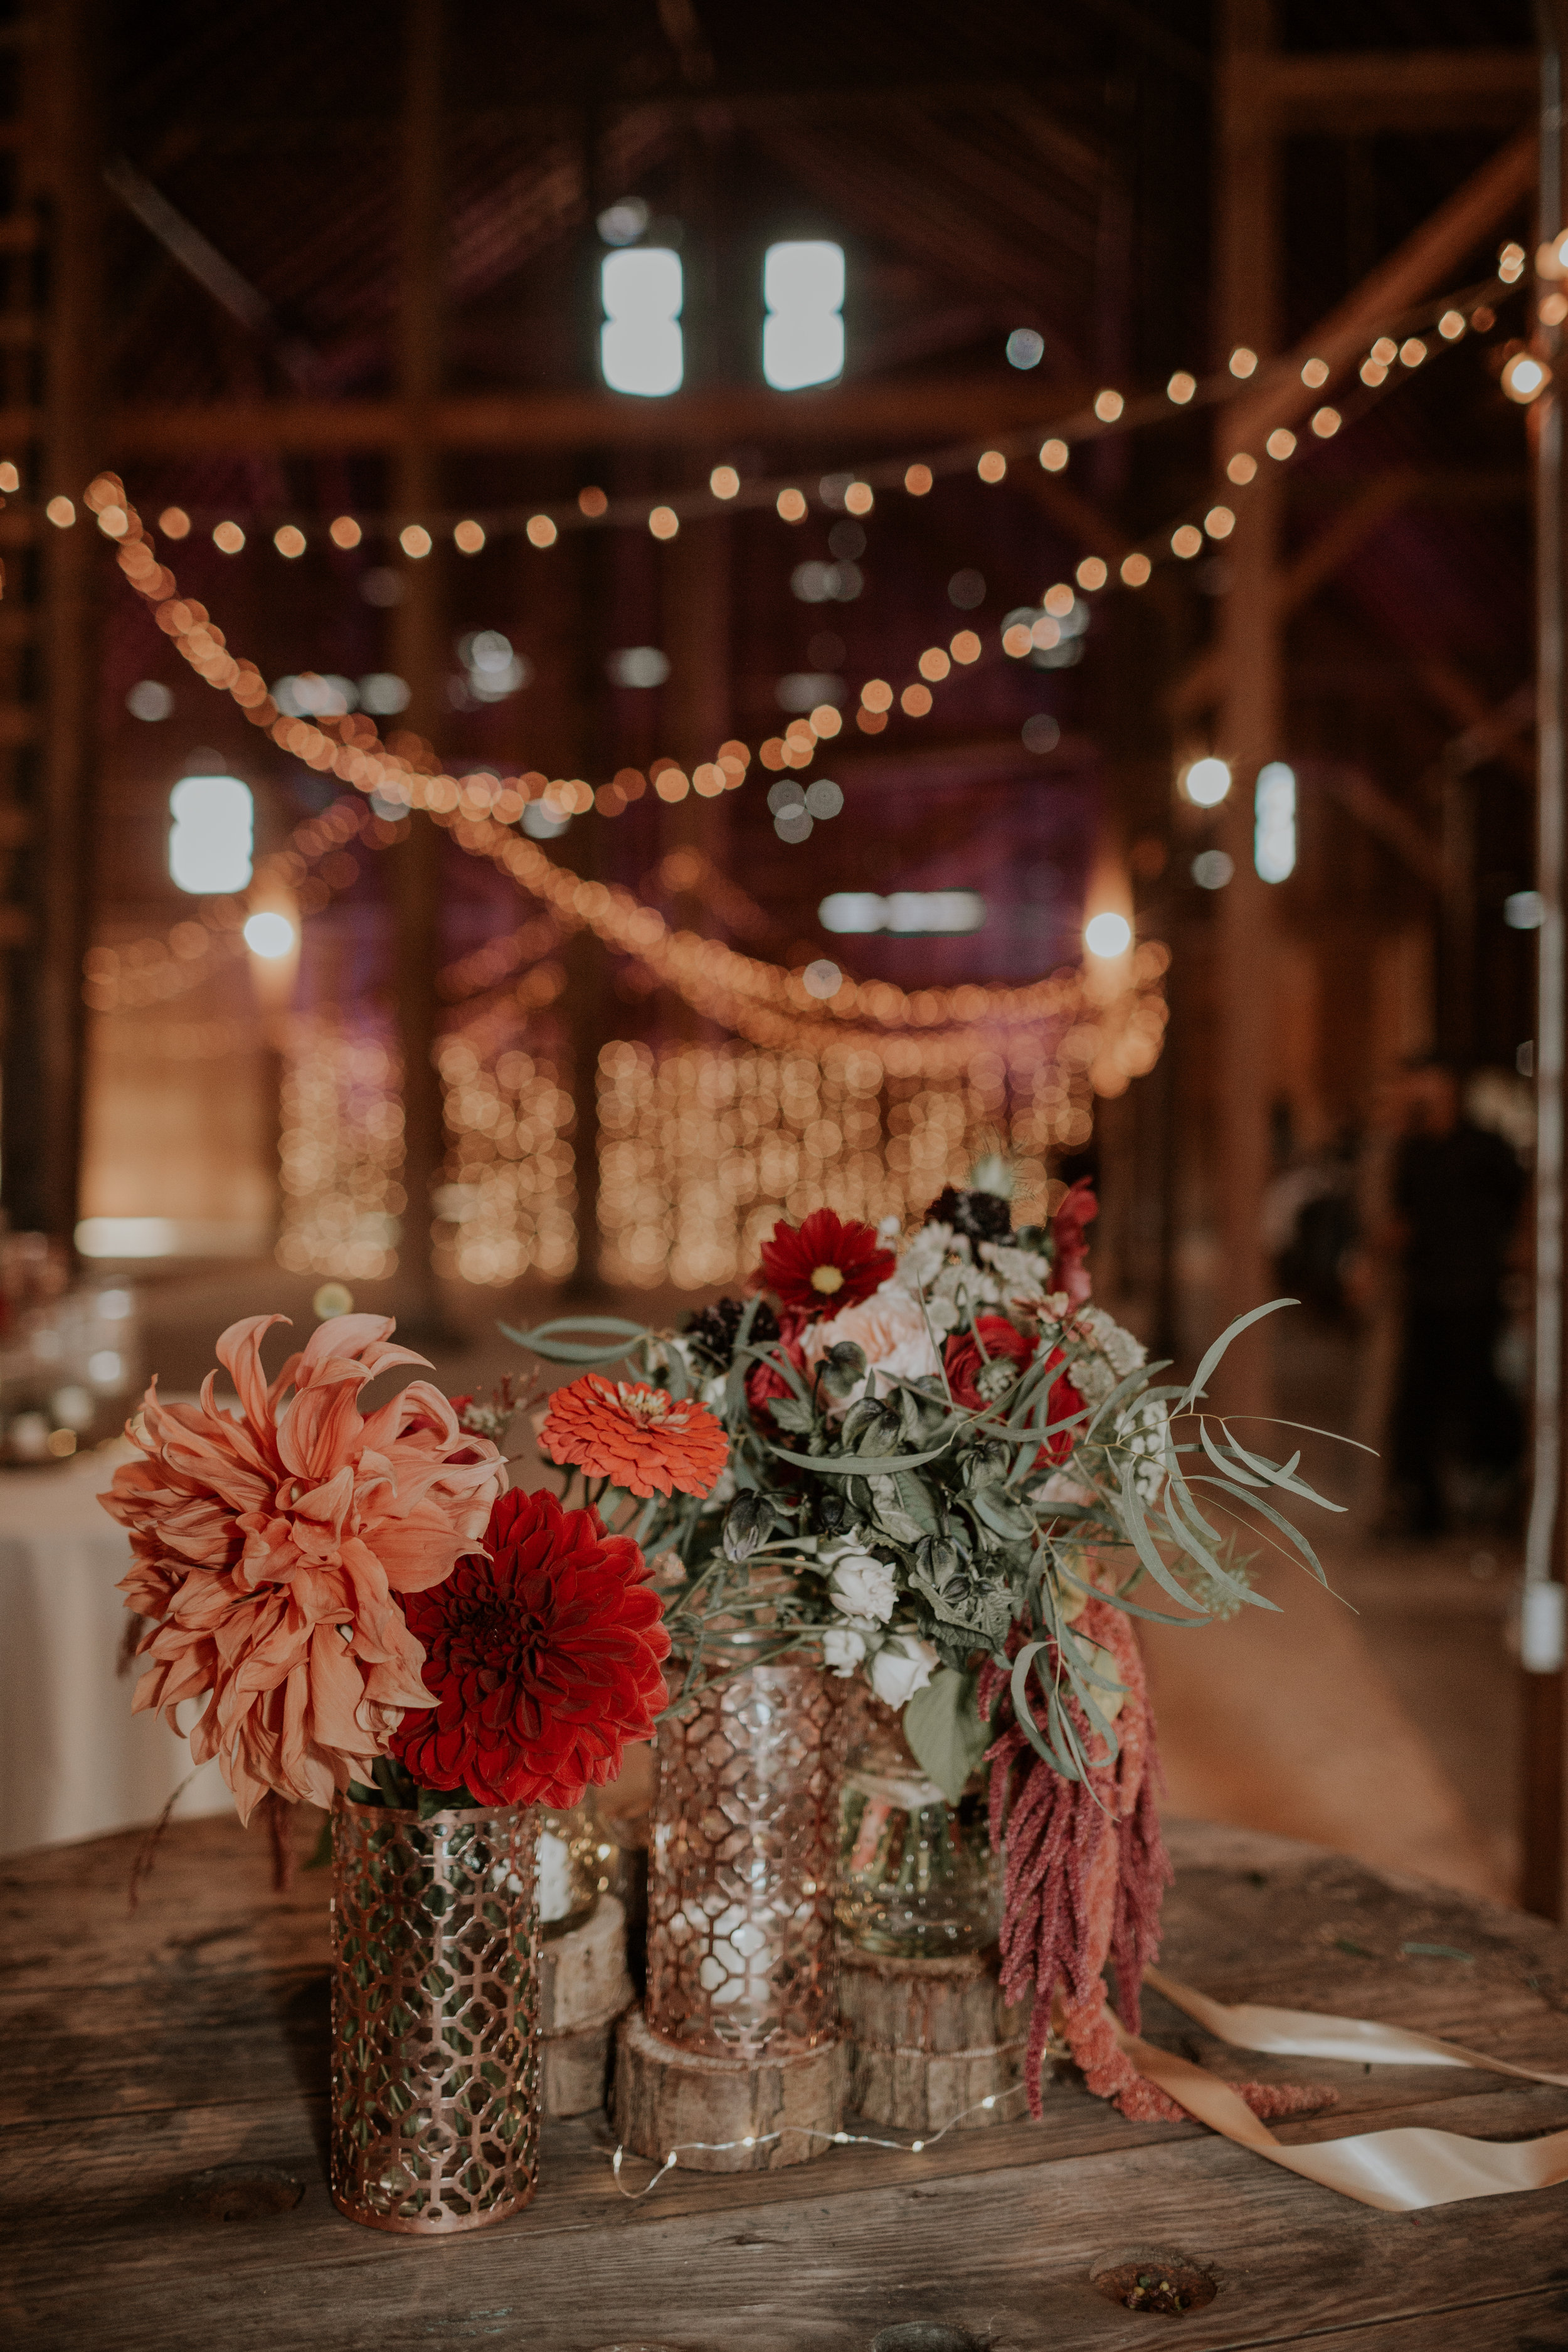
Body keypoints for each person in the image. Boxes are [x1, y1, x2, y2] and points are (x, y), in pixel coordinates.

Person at [1385, 1058, 1526, 1536]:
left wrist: (1517, 1253)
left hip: (1475, 1296)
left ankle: (1496, 1493)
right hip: (1428, 1295)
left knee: (1476, 1402)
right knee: (1418, 1408)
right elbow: (1404, 1219)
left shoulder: (1486, 1149)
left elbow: (1522, 1203)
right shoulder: (1413, 1150)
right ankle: (1425, 1512)